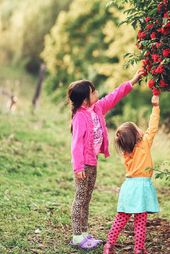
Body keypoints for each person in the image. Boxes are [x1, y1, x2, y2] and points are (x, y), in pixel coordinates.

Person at [67, 70, 144, 250]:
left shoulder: (97, 108)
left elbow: (114, 95)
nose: (97, 93)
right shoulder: (79, 117)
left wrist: (132, 81)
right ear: (85, 100)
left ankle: (84, 234)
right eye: (93, 92)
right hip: (83, 165)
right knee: (80, 199)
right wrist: (78, 167)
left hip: (92, 163)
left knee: (87, 198)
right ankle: (78, 237)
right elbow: (76, 143)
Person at [103, 95, 161, 254]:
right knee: (140, 222)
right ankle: (139, 250)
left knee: (121, 218)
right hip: (142, 187)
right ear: (136, 134)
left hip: (129, 186)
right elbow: (153, 126)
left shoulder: (126, 152)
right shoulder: (145, 143)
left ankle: (108, 246)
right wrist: (155, 107)